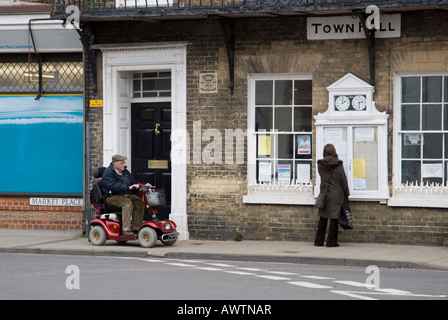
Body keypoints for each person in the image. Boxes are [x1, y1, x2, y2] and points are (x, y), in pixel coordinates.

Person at [101, 154, 148, 237]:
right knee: (127, 203)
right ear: (115, 164)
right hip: (111, 197)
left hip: (124, 194)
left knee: (139, 202)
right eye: (122, 163)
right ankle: (126, 230)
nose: (124, 165)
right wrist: (128, 187)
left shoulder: (125, 172)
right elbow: (113, 186)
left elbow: (132, 181)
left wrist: (142, 185)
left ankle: (136, 228)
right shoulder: (108, 173)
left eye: (124, 163)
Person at [314, 144, 350, 247]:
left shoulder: (321, 165)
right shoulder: (338, 165)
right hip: (336, 195)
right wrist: (346, 192)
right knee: (334, 218)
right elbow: (343, 180)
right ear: (334, 152)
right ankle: (331, 242)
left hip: (324, 194)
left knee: (323, 218)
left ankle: (318, 241)